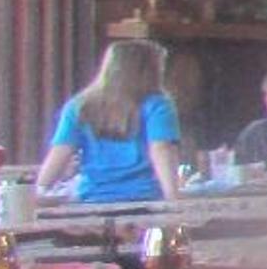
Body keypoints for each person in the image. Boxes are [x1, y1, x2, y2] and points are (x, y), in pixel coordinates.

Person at [40, 39, 183, 204]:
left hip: (92, 198)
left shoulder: (79, 106)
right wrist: (173, 197)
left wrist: (40, 189)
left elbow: (60, 152)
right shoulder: (158, 105)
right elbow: (161, 149)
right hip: (144, 198)